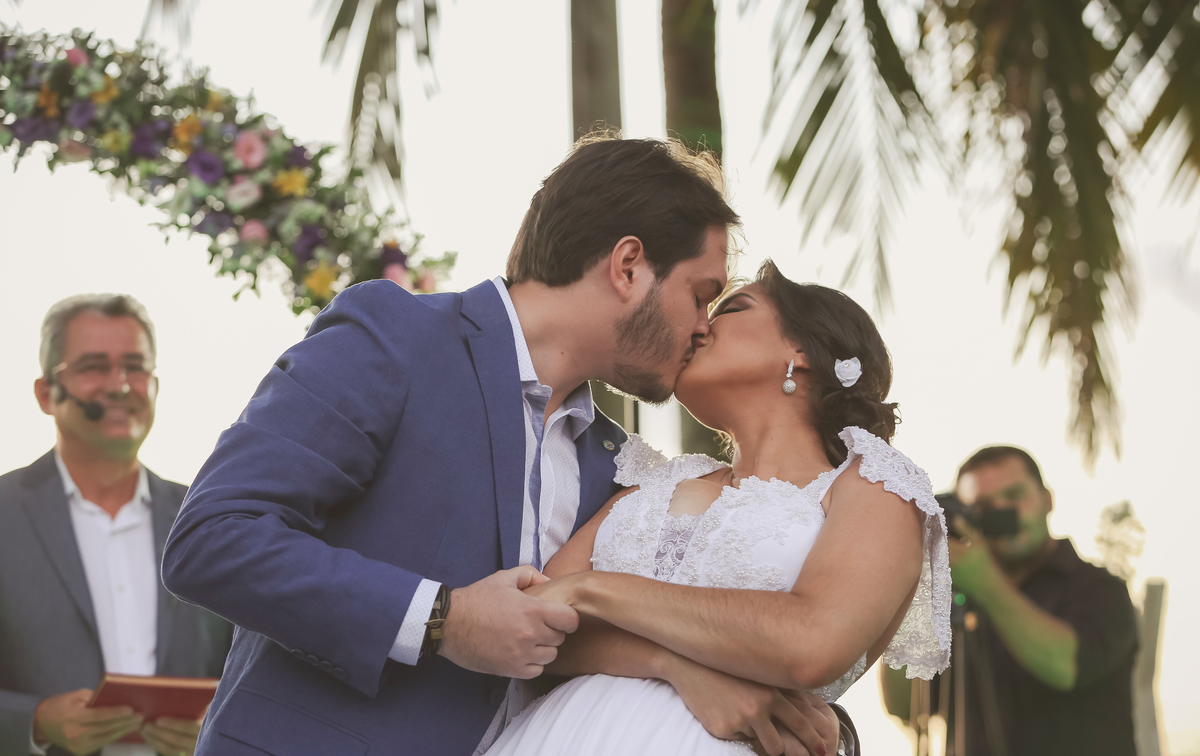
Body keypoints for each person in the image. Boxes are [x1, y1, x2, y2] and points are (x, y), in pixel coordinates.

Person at [161, 135, 860, 756]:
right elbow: (214, 538)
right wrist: (444, 618)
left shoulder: (617, 468)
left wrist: (691, 673)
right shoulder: (396, 337)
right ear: (627, 267)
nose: (703, 326)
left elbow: (599, 635)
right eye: (702, 294)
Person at [481, 260, 951, 755]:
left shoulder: (875, 483)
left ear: (802, 351)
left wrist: (593, 588)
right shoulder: (656, 480)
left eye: (732, 307)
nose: (700, 326)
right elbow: (542, 625)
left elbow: (810, 641)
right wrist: (676, 667)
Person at [0, 294, 233, 756]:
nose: (120, 385)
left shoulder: (211, 518)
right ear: (46, 393)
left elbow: (255, 665)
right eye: (93, 367)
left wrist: (222, 721)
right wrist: (37, 723)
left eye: (134, 366)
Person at [880, 446, 1139, 756]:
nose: (1003, 512)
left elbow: (1068, 666)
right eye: (984, 505)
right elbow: (905, 706)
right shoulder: (952, 597)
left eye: (1014, 496)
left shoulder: (1099, 588)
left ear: (1047, 499)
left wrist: (986, 584)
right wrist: (914, 593)